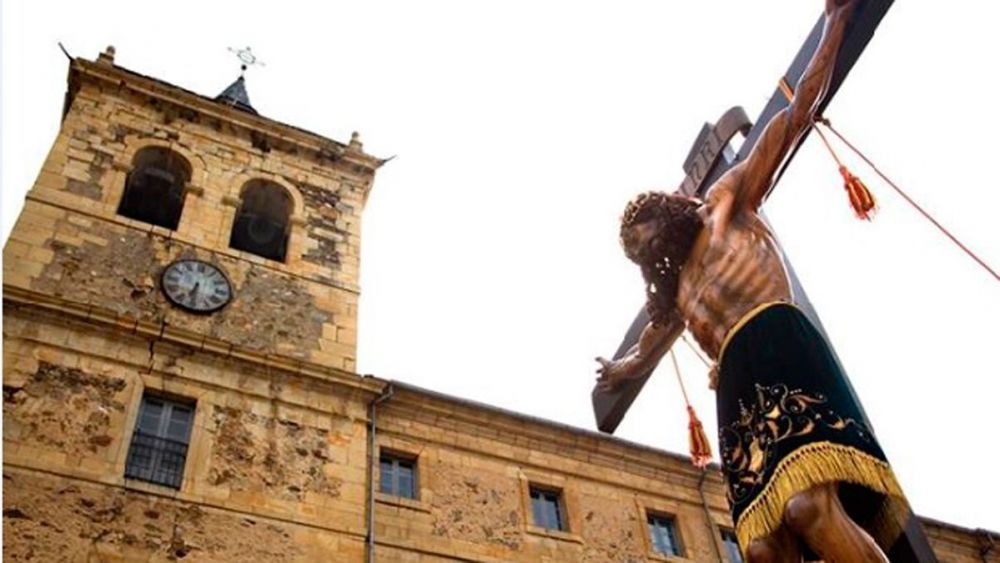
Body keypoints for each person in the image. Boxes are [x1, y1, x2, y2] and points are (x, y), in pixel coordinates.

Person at [594, 1, 911, 560]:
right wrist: (620, 368)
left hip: (776, 342)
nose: (650, 250)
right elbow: (647, 345)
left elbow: (788, 121)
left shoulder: (726, 201)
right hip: (736, 385)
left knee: (808, 508)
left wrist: (835, 25)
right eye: (641, 252)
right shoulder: (676, 294)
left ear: (665, 212)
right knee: (764, 550)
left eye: (647, 234)